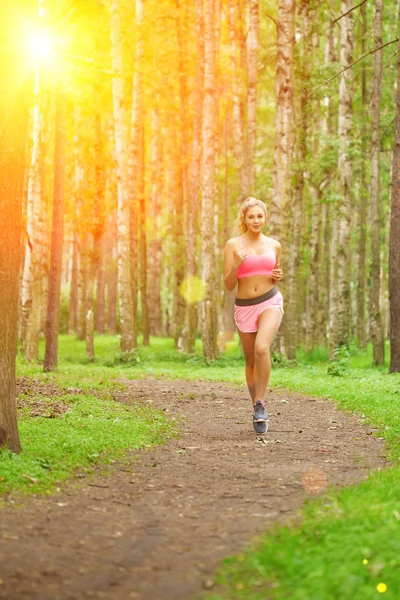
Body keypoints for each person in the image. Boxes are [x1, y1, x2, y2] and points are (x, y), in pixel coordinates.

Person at [223, 197, 283, 434]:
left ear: (265, 217)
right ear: (244, 219)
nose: (256, 220)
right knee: (250, 361)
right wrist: (236, 264)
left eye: (260, 216)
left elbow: (273, 273)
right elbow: (228, 284)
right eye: (251, 217)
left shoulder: (274, 245)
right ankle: (255, 407)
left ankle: (261, 403)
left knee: (261, 349)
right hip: (244, 306)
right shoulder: (232, 245)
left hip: (270, 301)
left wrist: (277, 277)